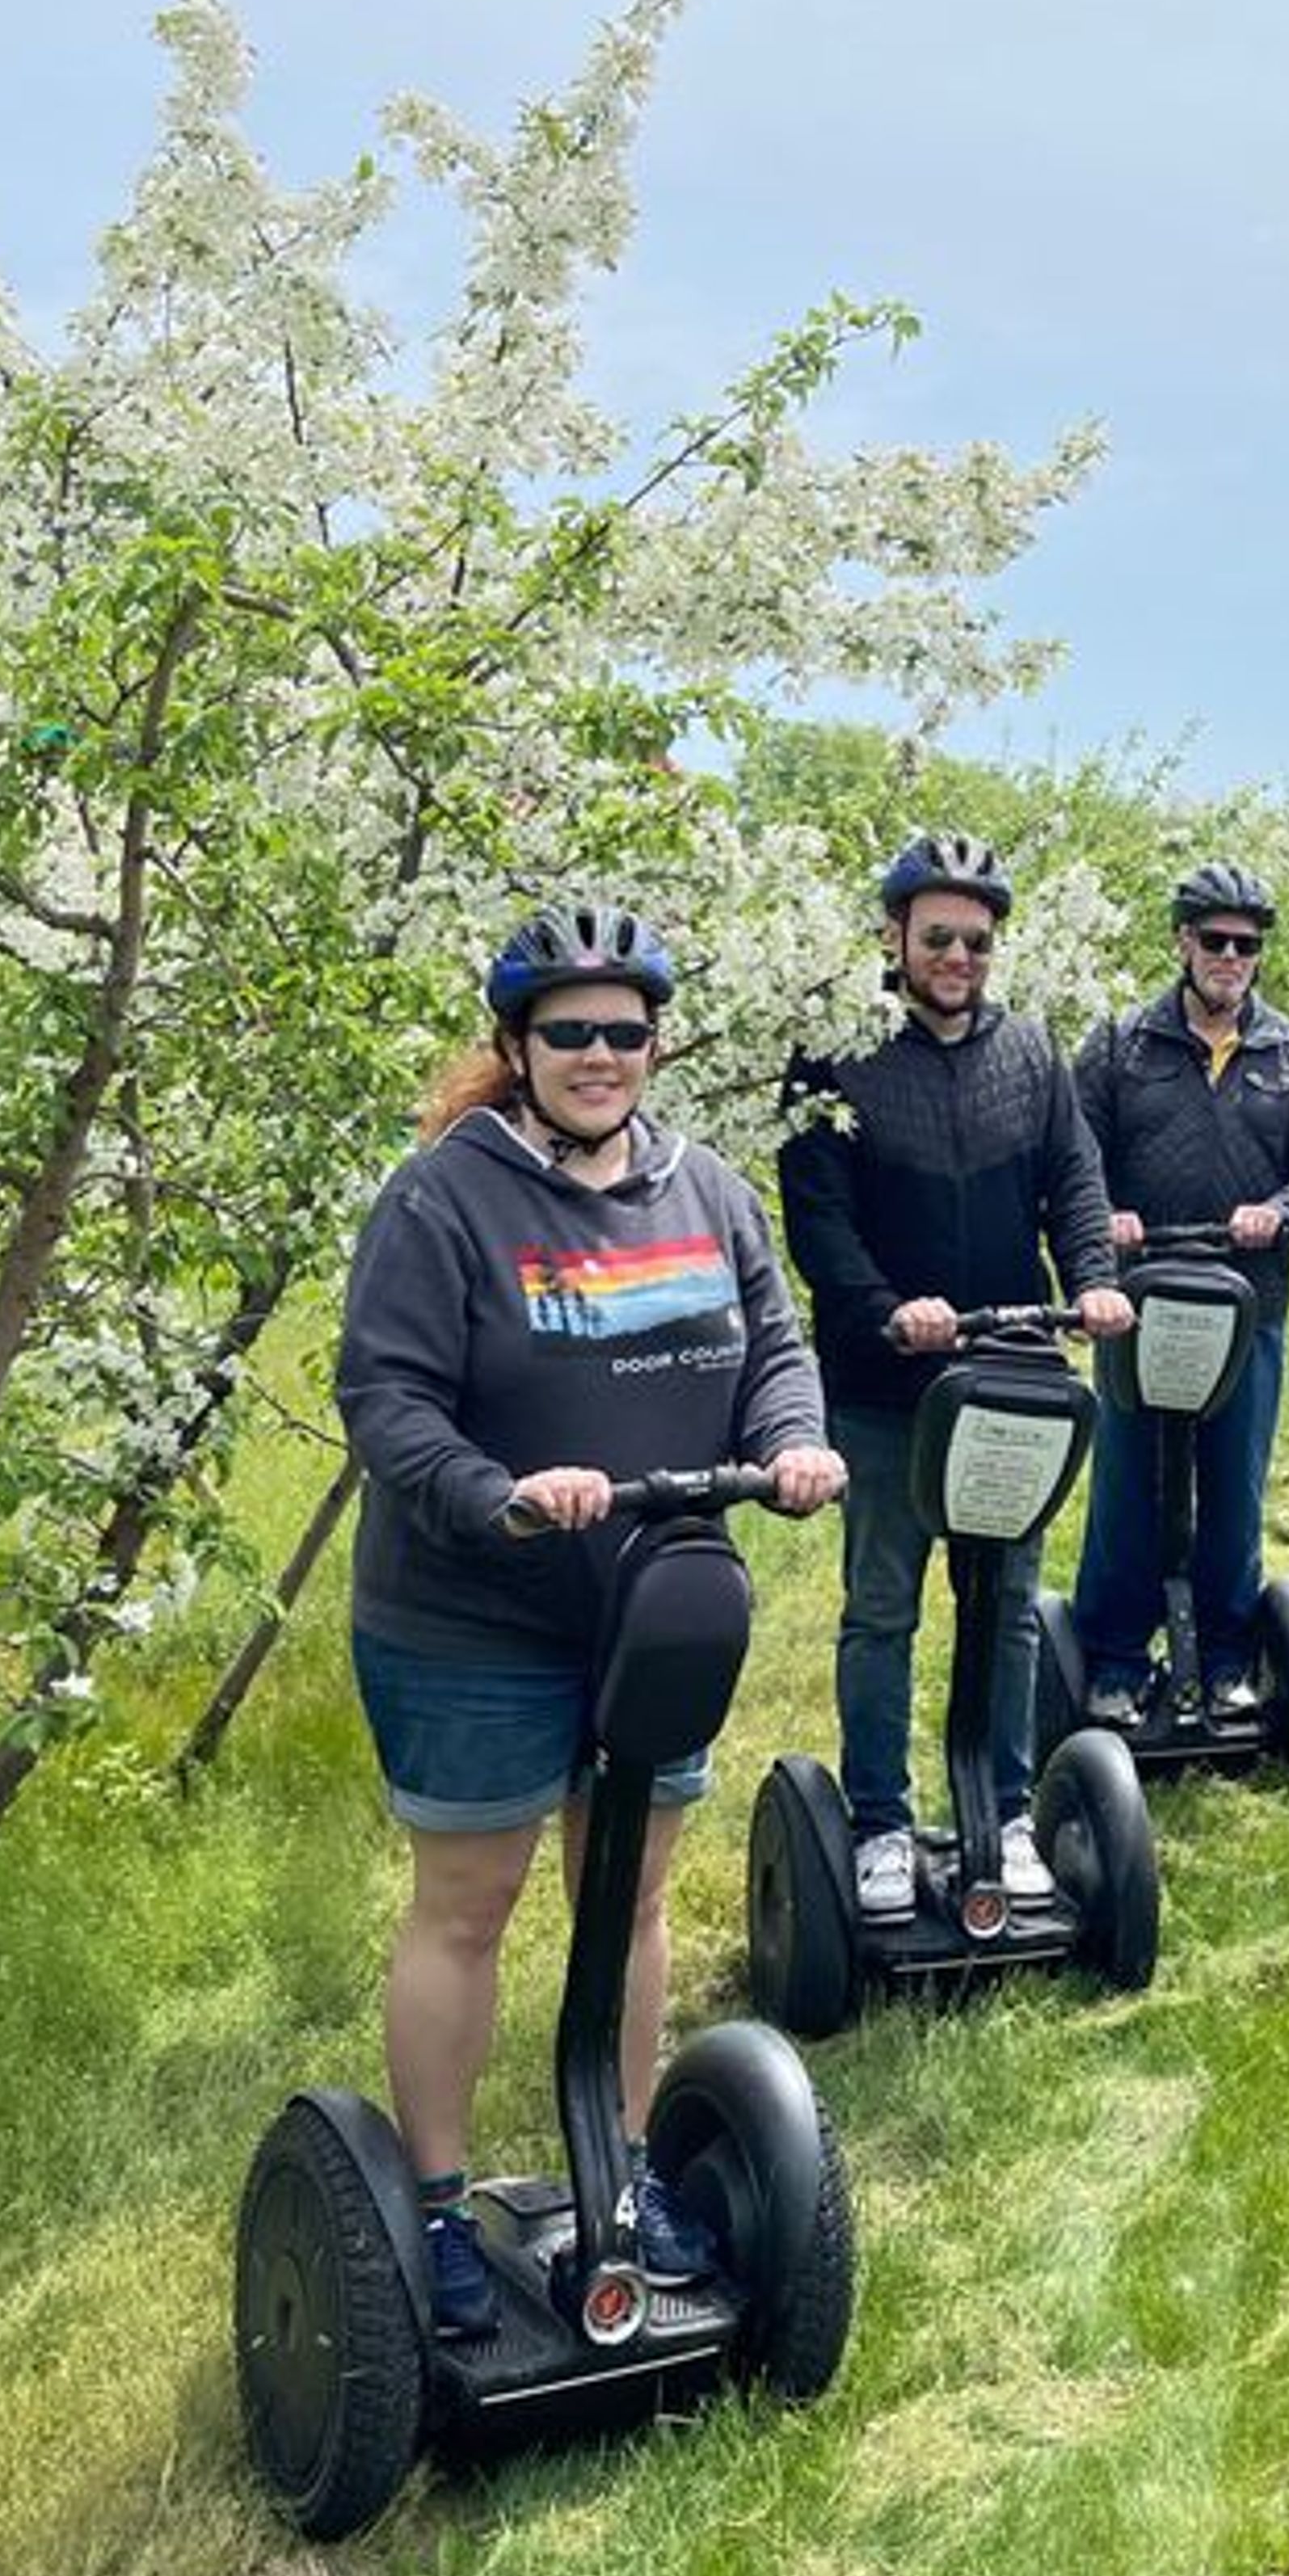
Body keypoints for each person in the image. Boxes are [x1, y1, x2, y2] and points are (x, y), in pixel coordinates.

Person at [336, 902, 845, 2338]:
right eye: (570, 1032)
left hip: (655, 1611)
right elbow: (385, 1400)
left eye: (626, 1031)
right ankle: (438, 2209)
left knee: (626, 1900)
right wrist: (498, 1492)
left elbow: (776, 1351)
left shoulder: (710, 1191)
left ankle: (617, 2179)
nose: (601, 1055)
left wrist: (795, 1442)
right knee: (470, 1906)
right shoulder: (447, 1196)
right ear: (517, 1044)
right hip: (473, 1617)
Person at [778, 831, 1133, 1918]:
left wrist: (1094, 1278)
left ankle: (1006, 1812)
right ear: (894, 937)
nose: (958, 957)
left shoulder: (1029, 1051)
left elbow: (1074, 1180)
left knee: (1010, 1603)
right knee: (883, 1609)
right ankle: (882, 1822)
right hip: (889, 1391)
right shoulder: (836, 1054)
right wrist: (889, 1314)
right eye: (938, 937)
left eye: (977, 941)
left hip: (1012, 1374)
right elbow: (817, 1218)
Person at [1070, 861, 1289, 1721]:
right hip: (1140, 1304)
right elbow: (1074, 1159)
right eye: (1215, 940)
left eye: (1247, 943)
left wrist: (1280, 1210)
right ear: (1181, 942)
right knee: (1129, 1483)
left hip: (1248, 1305)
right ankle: (1116, 1659)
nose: (1232, 956)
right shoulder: (1121, 1043)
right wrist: (1107, 1215)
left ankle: (1229, 1657)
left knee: (1234, 1486)